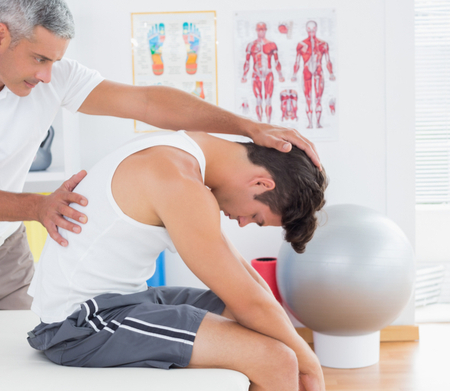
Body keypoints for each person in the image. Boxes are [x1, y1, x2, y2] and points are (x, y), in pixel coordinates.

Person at [0, 0, 322, 320]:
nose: (47, 76)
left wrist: (247, 125)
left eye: (56, 61)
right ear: (0, 35)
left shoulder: (52, 76)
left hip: (6, 260)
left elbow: (148, 102)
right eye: (40, 58)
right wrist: (40, 208)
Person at [27, 130, 328, 391]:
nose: (242, 222)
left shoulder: (182, 151)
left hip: (123, 302)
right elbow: (249, 301)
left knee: (255, 325)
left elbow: (247, 284)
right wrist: (310, 363)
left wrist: (299, 350)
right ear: (262, 184)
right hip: (79, 326)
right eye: (256, 217)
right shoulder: (178, 182)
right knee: (276, 360)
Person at [291, 20, 335, 129]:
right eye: (309, 30)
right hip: (306, 73)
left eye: (313, 30)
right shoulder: (301, 45)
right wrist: (294, 74)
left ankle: (318, 123)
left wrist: (331, 73)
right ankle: (310, 124)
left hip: (318, 73)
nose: (311, 32)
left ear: (316, 29)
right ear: (306, 30)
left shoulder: (323, 44)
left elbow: (328, 60)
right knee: (308, 99)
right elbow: (297, 61)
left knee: (318, 99)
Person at [241, 22, 284, 123]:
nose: (261, 31)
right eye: (259, 29)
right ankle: (260, 123)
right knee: (258, 100)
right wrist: (244, 75)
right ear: (256, 30)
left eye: (263, 29)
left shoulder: (271, 45)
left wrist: (280, 75)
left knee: (268, 100)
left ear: (266, 30)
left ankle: (268, 123)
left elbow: (277, 61)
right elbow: (247, 62)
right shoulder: (251, 45)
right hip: (256, 74)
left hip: (268, 74)